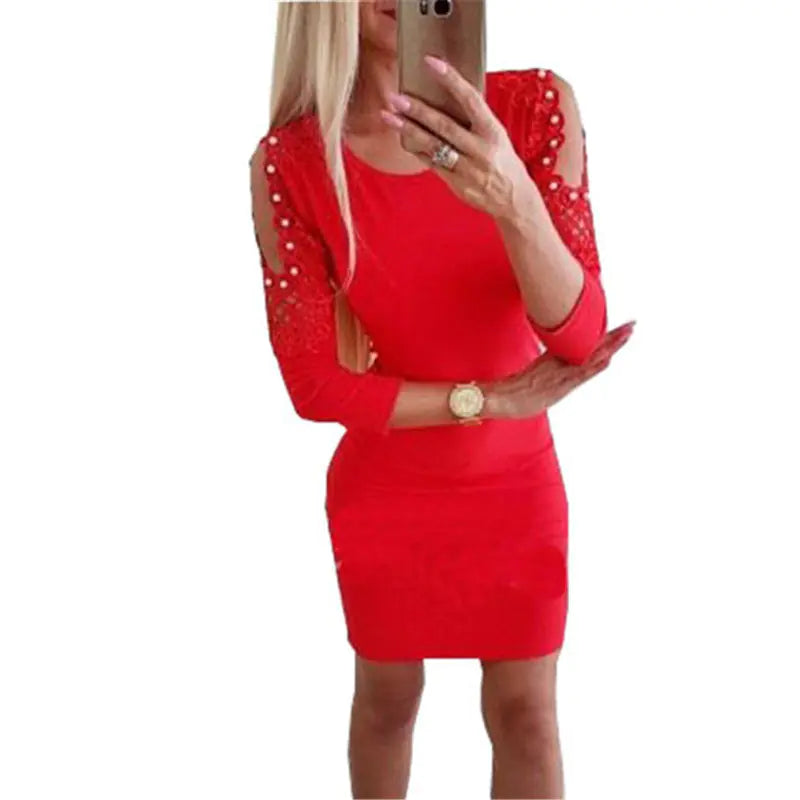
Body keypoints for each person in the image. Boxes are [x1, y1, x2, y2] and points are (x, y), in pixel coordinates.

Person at [249, 2, 634, 797]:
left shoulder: (534, 107)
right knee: (387, 704)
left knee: (529, 717)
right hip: (387, 496)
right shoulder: (293, 161)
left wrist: (512, 196)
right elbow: (314, 384)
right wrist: (488, 400)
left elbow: (578, 334)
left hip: (517, 490)